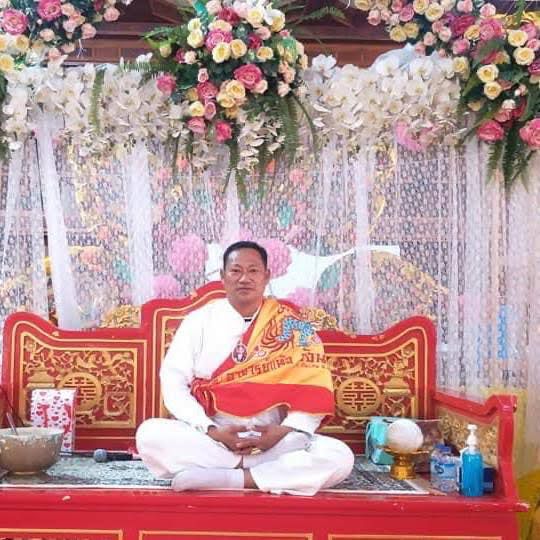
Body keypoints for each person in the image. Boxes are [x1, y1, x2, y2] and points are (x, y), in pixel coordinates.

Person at [136, 241, 354, 496]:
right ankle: (262, 473)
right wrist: (212, 430)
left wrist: (283, 431)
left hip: (276, 443)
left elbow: (313, 390)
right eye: (236, 271)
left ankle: (232, 477)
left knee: (339, 455)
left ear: (266, 276)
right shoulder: (198, 321)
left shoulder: (295, 326)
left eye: (253, 271)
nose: (244, 279)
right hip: (213, 439)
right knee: (150, 434)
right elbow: (173, 383)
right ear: (223, 276)